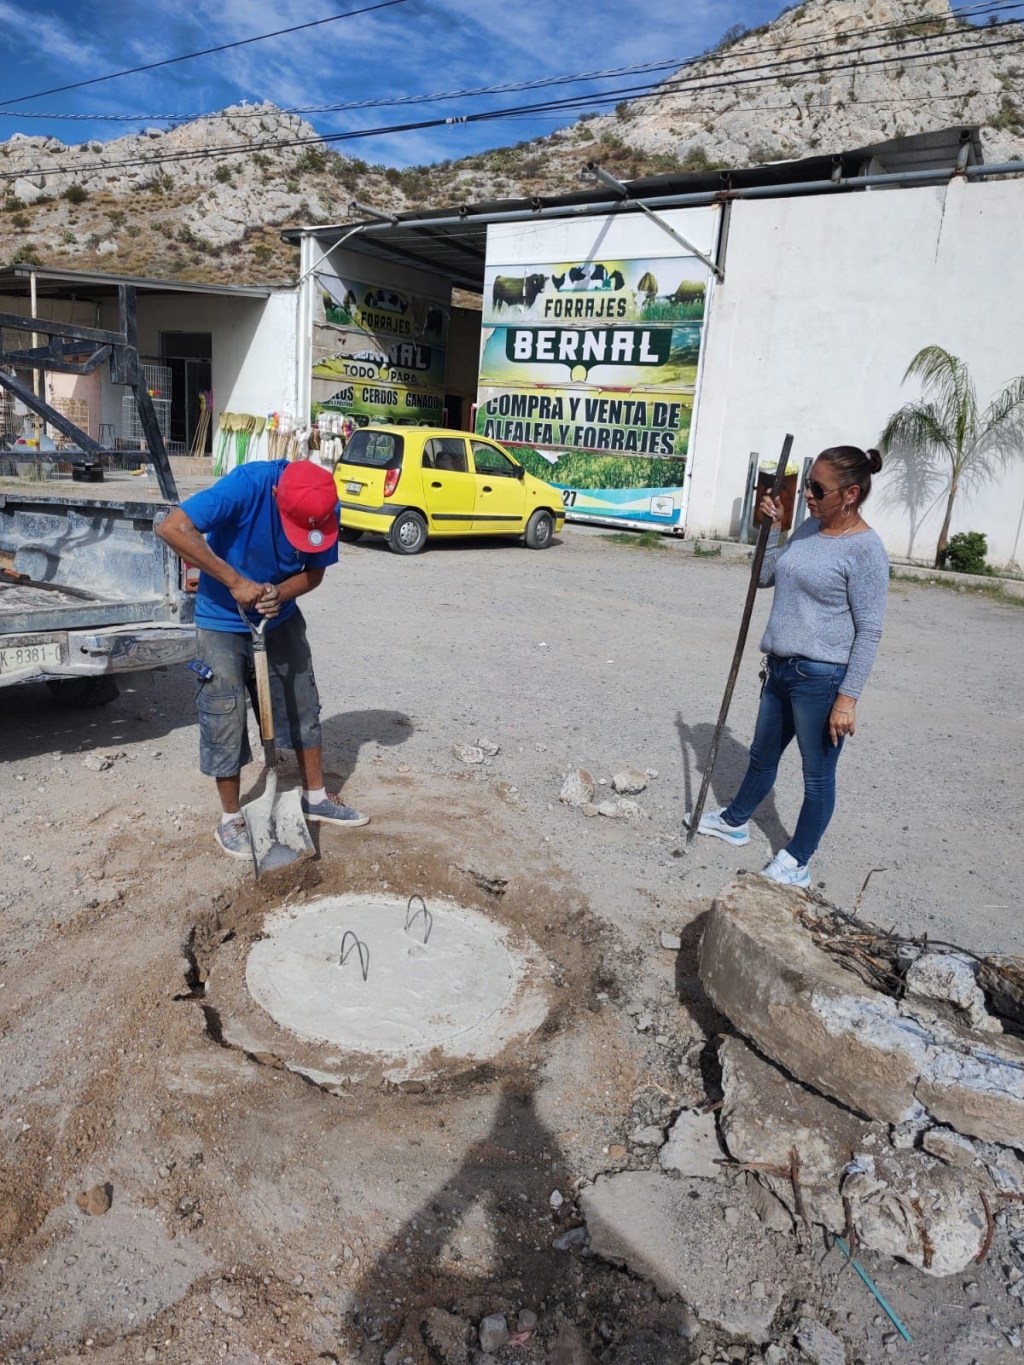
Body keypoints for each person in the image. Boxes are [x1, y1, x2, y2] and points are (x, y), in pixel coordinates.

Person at [694, 445, 889, 886]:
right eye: (807, 485)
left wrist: (847, 700)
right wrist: (774, 528)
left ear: (851, 493)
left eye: (818, 489)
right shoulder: (808, 527)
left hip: (821, 680)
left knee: (817, 777)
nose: (808, 496)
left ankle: (798, 858)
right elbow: (763, 577)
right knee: (762, 758)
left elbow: (870, 632)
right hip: (780, 669)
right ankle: (736, 821)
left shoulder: (866, 550)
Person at [156, 459, 369, 859]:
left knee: (301, 699)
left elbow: (315, 572)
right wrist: (236, 582)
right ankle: (231, 817)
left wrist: (280, 593)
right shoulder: (247, 486)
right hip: (222, 617)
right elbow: (171, 527)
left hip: (279, 617)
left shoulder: (322, 503)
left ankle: (316, 796)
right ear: (276, 497)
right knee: (225, 713)